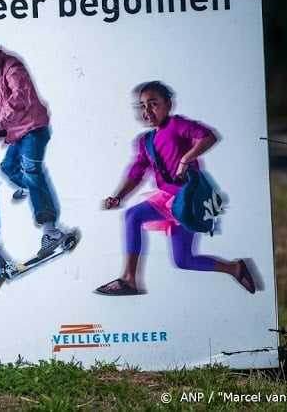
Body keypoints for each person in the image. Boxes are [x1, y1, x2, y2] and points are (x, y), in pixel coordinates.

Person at [95, 80, 257, 296]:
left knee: (147, 228)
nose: (147, 110)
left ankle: (129, 279)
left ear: (168, 105)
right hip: (166, 201)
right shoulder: (145, 142)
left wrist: (186, 159)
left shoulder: (177, 125)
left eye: (153, 104)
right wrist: (117, 197)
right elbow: (136, 173)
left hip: (188, 201)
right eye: (142, 106)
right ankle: (234, 268)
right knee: (174, 252)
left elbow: (208, 137)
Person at [0, 31, 74, 263]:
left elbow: (20, 98)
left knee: (31, 171)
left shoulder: (14, 68)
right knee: (8, 169)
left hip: (34, 129)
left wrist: (0, 121)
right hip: (15, 134)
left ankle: (52, 231)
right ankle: (33, 189)